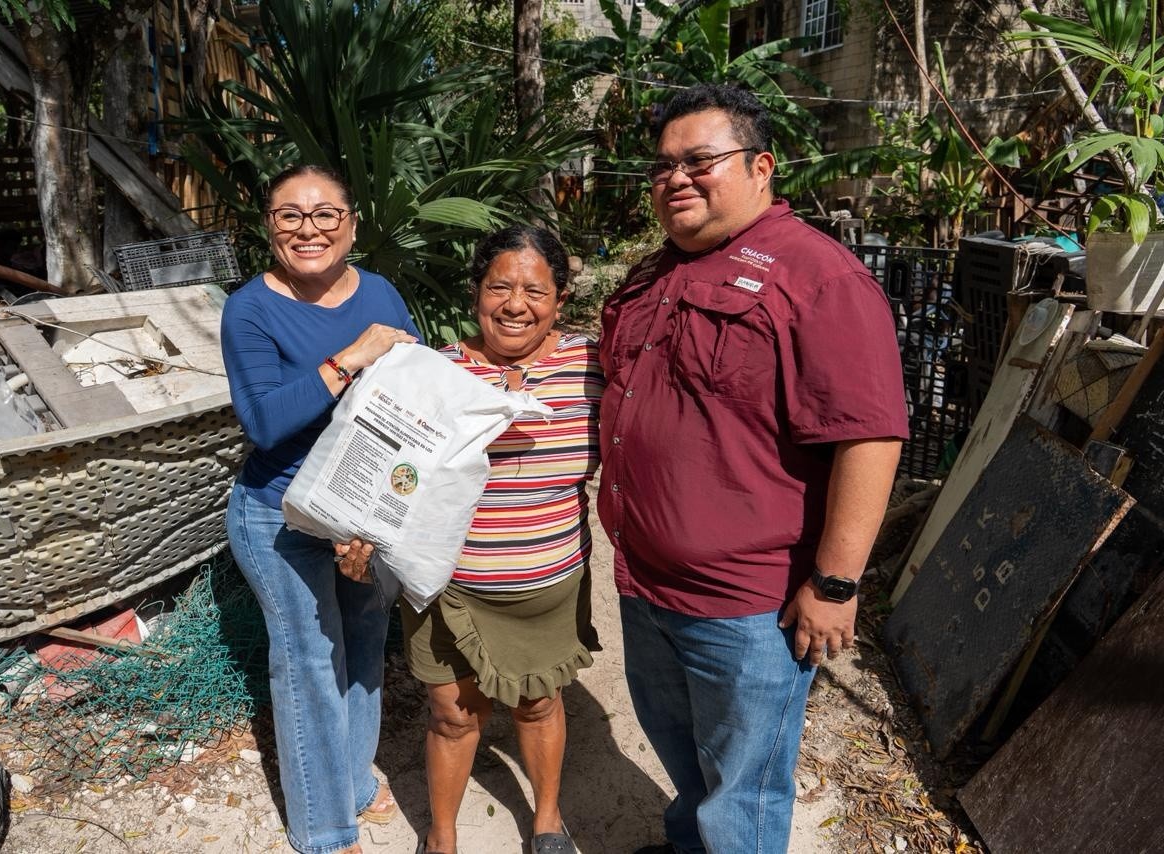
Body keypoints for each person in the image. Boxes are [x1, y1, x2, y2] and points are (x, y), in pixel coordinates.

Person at [598, 84, 909, 853]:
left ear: (760, 168)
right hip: (646, 583)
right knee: (686, 760)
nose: (676, 178)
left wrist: (835, 585)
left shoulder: (818, 278)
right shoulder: (653, 276)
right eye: (663, 165)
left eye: (699, 161)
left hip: (746, 607)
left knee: (742, 790)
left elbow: (869, 438)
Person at [341, 226, 603, 854]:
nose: (515, 305)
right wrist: (359, 539)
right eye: (498, 287)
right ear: (475, 293)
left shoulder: (592, 368)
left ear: (560, 299)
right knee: (453, 715)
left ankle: (546, 822)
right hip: (447, 587)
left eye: (535, 291)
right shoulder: (432, 372)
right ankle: (442, 836)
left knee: (538, 704)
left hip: (546, 584)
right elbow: (386, 472)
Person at [221, 163, 420, 854]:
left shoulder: (381, 291)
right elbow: (264, 422)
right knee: (309, 662)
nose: (309, 229)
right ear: (269, 226)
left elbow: (414, 391)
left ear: (351, 224)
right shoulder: (249, 308)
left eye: (325, 213)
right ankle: (327, 831)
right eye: (290, 215)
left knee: (364, 639)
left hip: (363, 510)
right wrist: (351, 357)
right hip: (278, 515)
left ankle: (352, 783)